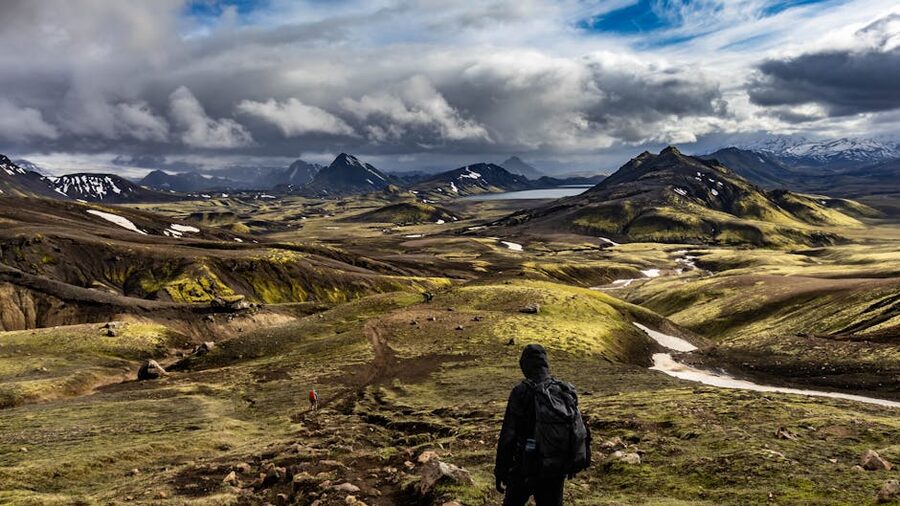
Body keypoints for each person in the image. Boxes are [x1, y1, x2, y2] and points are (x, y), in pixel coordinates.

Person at [495, 344, 591, 506]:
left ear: (525, 365)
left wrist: (501, 471)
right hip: (555, 467)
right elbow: (577, 429)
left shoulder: (521, 391)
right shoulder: (563, 390)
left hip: (524, 466)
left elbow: (508, 435)